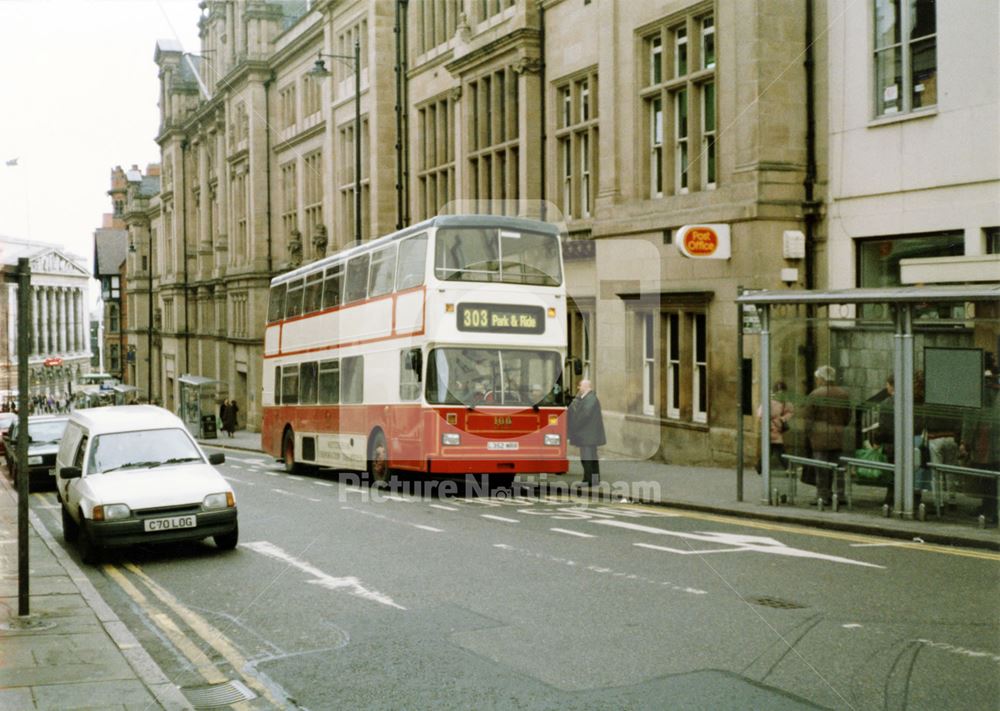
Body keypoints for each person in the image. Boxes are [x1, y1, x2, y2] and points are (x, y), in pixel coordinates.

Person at [803, 365, 851, 506]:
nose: (817, 381)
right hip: (837, 436)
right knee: (838, 468)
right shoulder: (843, 394)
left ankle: (822, 496)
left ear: (822, 379)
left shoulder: (815, 395)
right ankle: (840, 495)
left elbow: (808, 419)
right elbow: (848, 417)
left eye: (818, 378)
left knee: (821, 469)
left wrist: (809, 435)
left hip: (819, 438)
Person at [568, 379, 606, 486]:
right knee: (592, 458)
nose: (578, 388)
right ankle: (594, 480)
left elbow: (584, 415)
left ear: (585, 387)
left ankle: (588, 480)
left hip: (587, 435)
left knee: (587, 459)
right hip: (589, 435)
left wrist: (574, 426)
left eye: (580, 386)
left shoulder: (590, 399)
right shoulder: (587, 398)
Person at [756, 380, 794, 472]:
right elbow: (761, 415)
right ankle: (787, 467)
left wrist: (783, 419)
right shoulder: (769, 401)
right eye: (779, 389)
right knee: (778, 449)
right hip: (771, 428)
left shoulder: (785, 402)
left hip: (776, 428)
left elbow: (790, 412)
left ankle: (759, 467)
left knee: (771, 450)